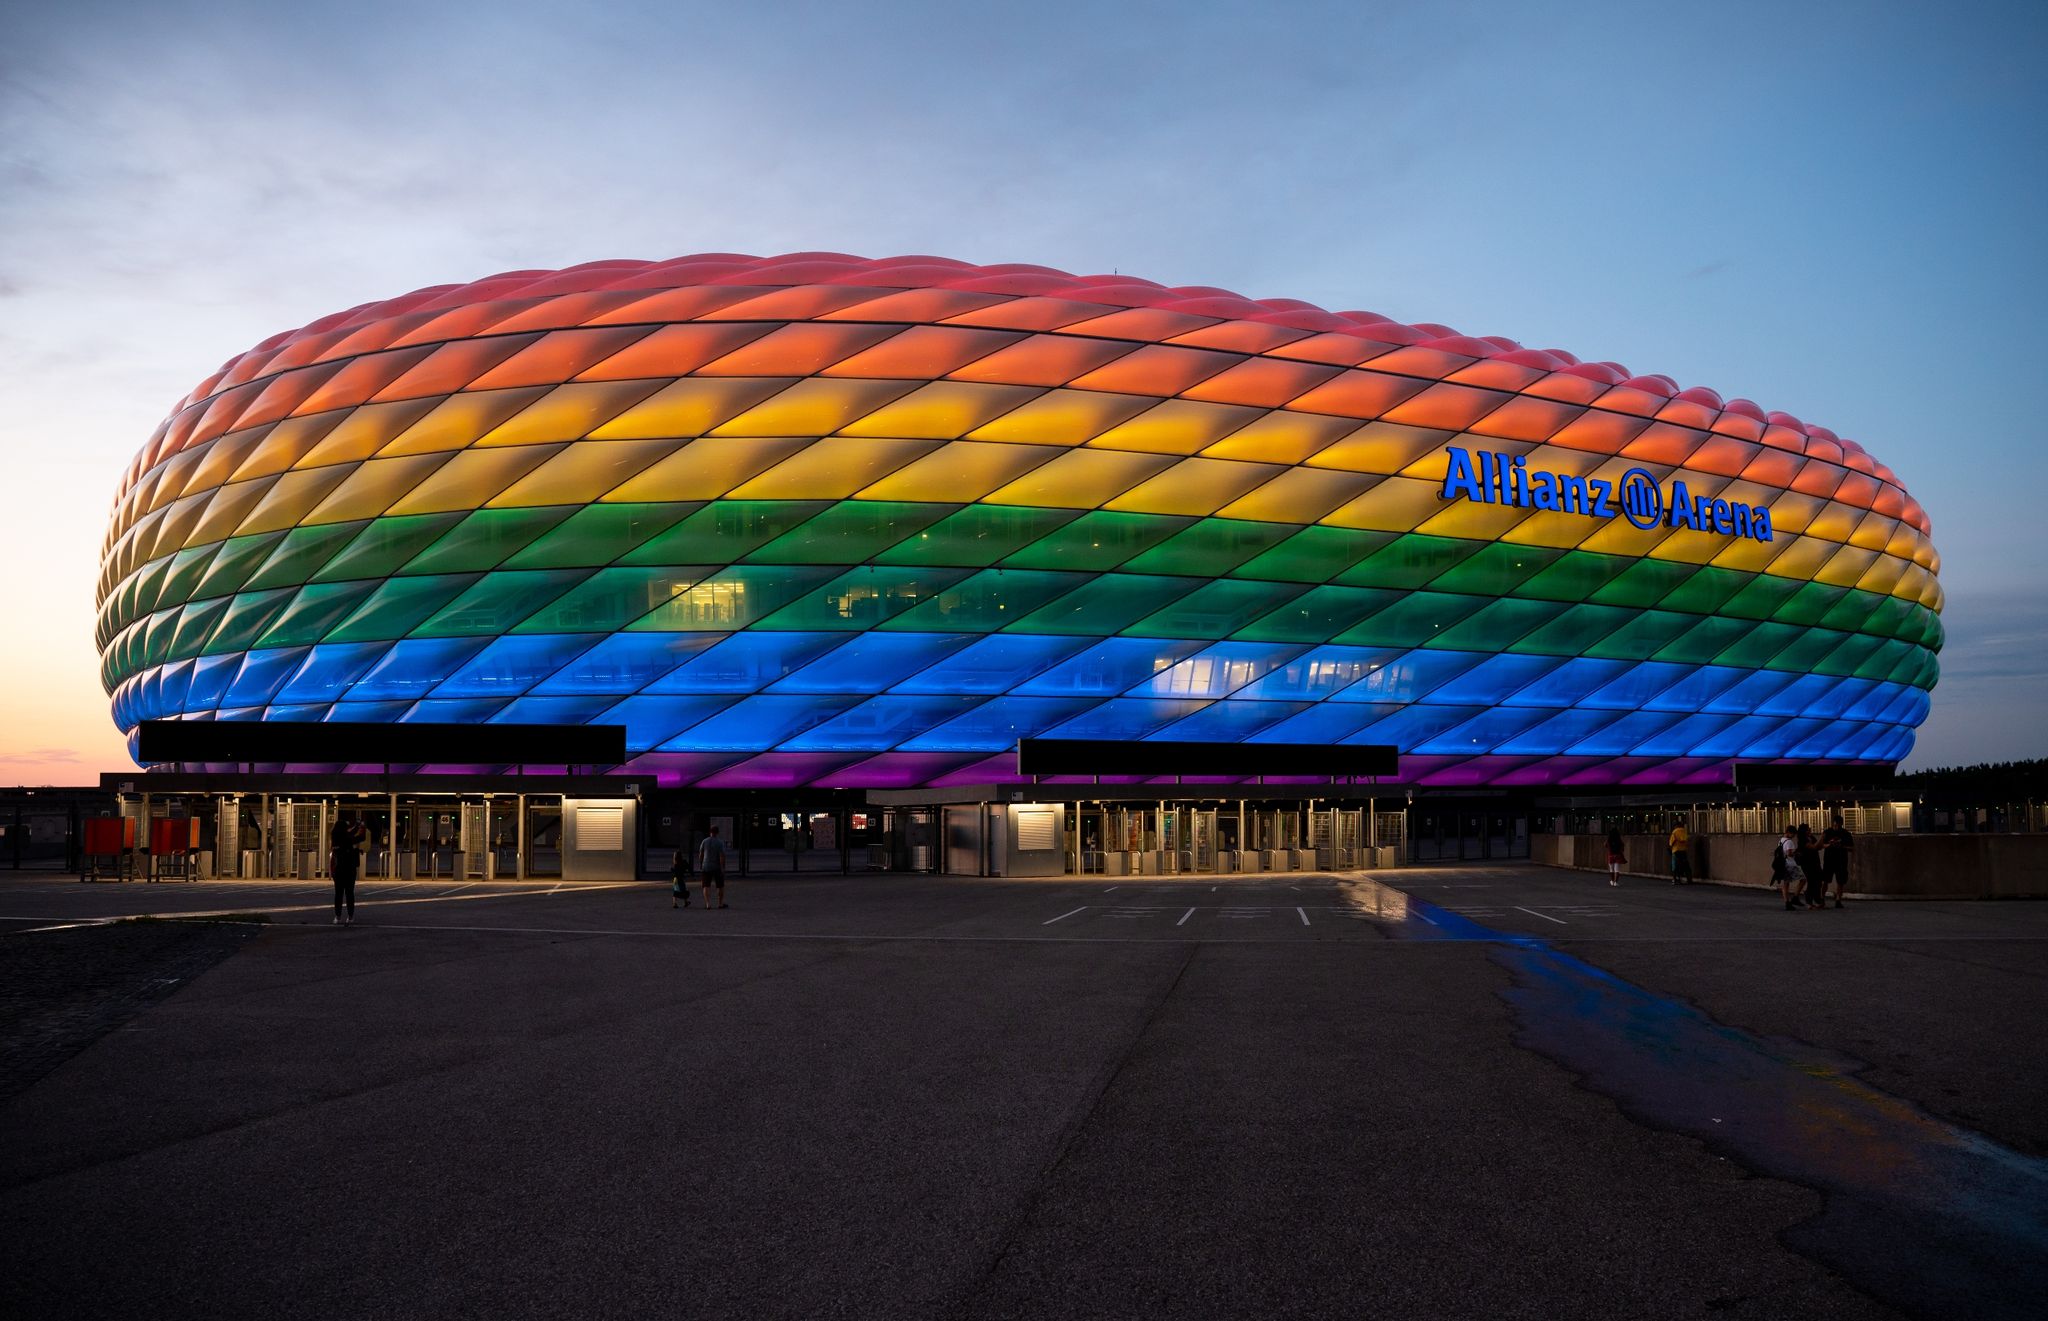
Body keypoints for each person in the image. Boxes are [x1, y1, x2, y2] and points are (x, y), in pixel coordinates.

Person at [330, 813, 366, 925]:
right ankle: (350, 916)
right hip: (349, 869)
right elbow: (361, 837)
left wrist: (356, 826)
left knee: (338, 894)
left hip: (338, 870)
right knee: (349, 893)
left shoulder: (335, 837)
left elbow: (350, 833)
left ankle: (337, 916)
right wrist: (361, 826)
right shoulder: (347, 839)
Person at [1819, 813, 1853, 908]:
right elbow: (1821, 845)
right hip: (1829, 860)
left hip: (1841, 861)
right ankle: (1822, 898)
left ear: (1841, 824)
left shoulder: (1846, 834)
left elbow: (1851, 848)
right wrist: (1830, 844)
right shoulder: (1827, 832)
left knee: (1840, 881)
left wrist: (1841, 846)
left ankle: (1838, 900)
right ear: (1833, 823)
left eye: (1838, 825)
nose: (1836, 827)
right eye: (1835, 825)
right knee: (1825, 880)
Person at [697, 824, 729, 909]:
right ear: (717, 832)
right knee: (720, 885)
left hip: (706, 866)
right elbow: (722, 856)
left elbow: (701, 854)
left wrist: (701, 864)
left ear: (710, 832)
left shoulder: (704, 841)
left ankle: (708, 904)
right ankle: (720, 903)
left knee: (706, 885)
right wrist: (723, 867)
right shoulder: (720, 842)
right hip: (717, 867)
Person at [1773, 825, 1805, 910]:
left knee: (1786, 883)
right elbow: (1789, 853)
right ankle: (1795, 897)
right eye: (1793, 834)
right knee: (1803, 879)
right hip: (1791, 864)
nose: (1794, 836)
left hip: (1783, 864)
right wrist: (1797, 852)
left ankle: (1787, 902)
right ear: (1789, 832)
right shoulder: (1789, 842)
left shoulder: (1781, 841)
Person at [1796, 823, 1826, 911]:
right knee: (1811, 882)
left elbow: (1819, 846)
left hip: (1815, 862)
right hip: (1807, 864)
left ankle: (1817, 900)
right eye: (1808, 829)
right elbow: (1814, 847)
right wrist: (1822, 837)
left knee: (1818, 881)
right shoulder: (1802, 840)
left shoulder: (1811, 837)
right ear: (1804, 831)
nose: (1810, 830)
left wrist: (1827, 843)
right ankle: (1809, 902)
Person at [1668, 820, 1693, 885]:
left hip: (1676, 850)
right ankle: (1689, 879)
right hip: (1683, 850)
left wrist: (1670, 848)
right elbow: (1686, 840)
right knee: (1685, 865)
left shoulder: (1675, 832)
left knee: (1675, 865)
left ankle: (1675, 879)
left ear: (1675, 826)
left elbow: (1671, 842)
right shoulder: (1684, 831)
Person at [669, 838, 691, 910]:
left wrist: (671, 869)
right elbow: (688, 867)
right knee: (683, 890)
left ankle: (674, 903)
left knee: (676, 890)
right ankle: (685, 902)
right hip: (681, 878)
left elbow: (675, 871)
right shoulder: (683, 862)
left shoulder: (676, 864)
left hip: (676, 879)